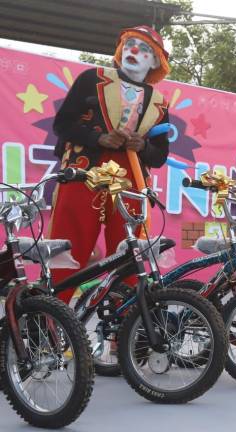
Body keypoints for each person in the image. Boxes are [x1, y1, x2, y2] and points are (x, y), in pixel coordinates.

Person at [49, 25, 171, 303]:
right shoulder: (91, 78)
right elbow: (62, 125)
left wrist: (142, 146)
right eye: (129, 45)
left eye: (144, 49)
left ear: (155, 61)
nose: (134, 51)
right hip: (84, 171)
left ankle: (124, 333)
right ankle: (49, 326)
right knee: (69, 247)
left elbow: (161, 154)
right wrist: (99, 137)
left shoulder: (161, 103)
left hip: (131, 179)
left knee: (129, 253)